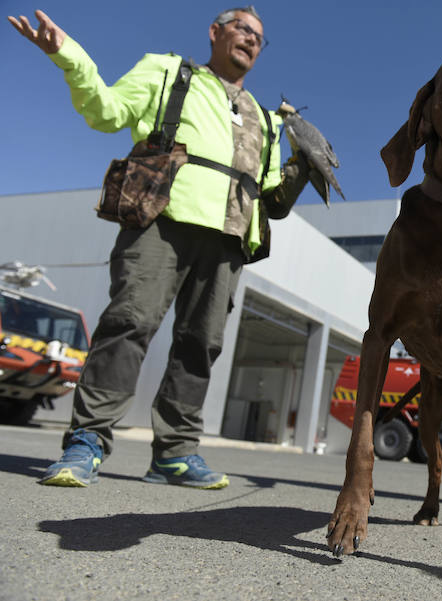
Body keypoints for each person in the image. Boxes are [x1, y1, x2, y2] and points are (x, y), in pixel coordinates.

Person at [8, 6, 306, 489]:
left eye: (259, 37)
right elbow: (104, 111)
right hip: (161, 221)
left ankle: (175, 453)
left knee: (200, 345)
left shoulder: (266, 120)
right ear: (215, 32)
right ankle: (86, 440)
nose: (251, 40)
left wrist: (304, 168)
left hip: (230, 237)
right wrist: (68, 55)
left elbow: (272, 198)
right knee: (130, 322)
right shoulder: (169, 72)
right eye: (242, 29)